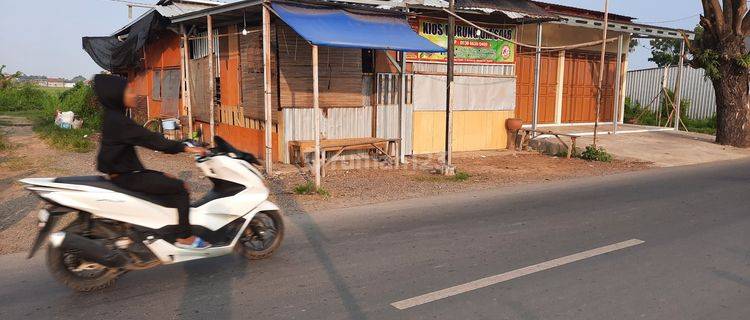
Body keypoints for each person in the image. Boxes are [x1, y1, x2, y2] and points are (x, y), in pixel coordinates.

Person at [92, 74, 210, 249]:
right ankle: (185, 237)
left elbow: (146, 140)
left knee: (167, 177)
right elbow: (153, 140)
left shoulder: (113, 117)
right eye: (129, 91)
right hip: (128, 177)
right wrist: (188, 148)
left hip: (126, 174)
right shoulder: (119, 121)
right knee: (180, 188)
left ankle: (165, 229)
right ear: (116, 95)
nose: (134, 95)